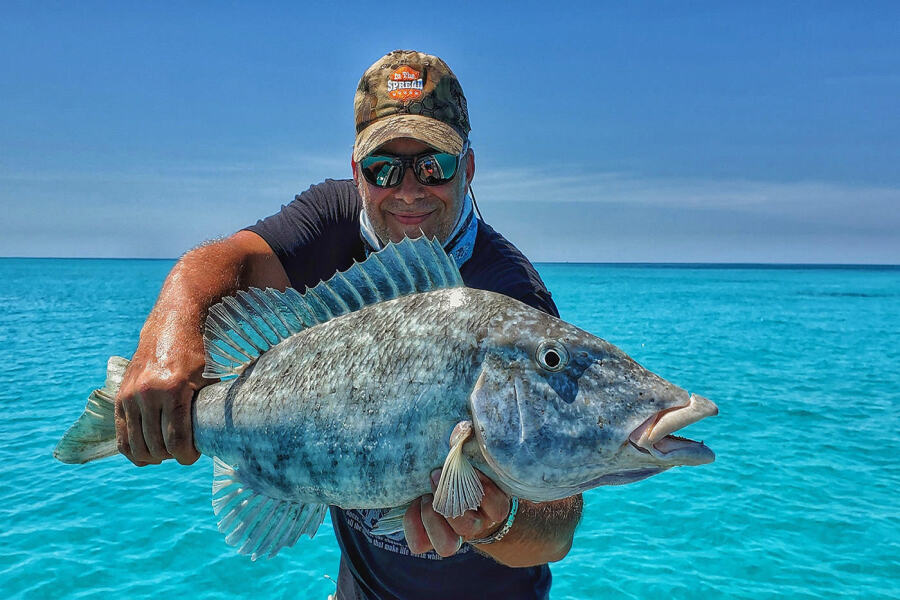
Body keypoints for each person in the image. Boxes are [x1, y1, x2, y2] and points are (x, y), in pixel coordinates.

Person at [114, 49, 582, 600]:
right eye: (385, 168)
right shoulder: (331, 217)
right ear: (357, 172)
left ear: (469, 168)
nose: (409, 189)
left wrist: (496, 523)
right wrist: (170, 332)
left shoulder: (511, 300)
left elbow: (559, 523)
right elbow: (228, 261)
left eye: (434, 165)